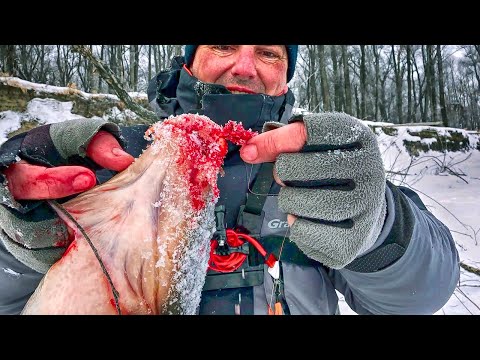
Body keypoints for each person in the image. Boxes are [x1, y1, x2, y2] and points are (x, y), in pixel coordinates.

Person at [0, 45, 460, 315]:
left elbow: (423, 295)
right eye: (222, 44)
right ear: (188, 63)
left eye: (267, 52)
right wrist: (13, 224)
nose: (244, 67)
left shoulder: (326, 168)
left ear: (284, 79)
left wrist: (380, 225)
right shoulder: (112, 159)